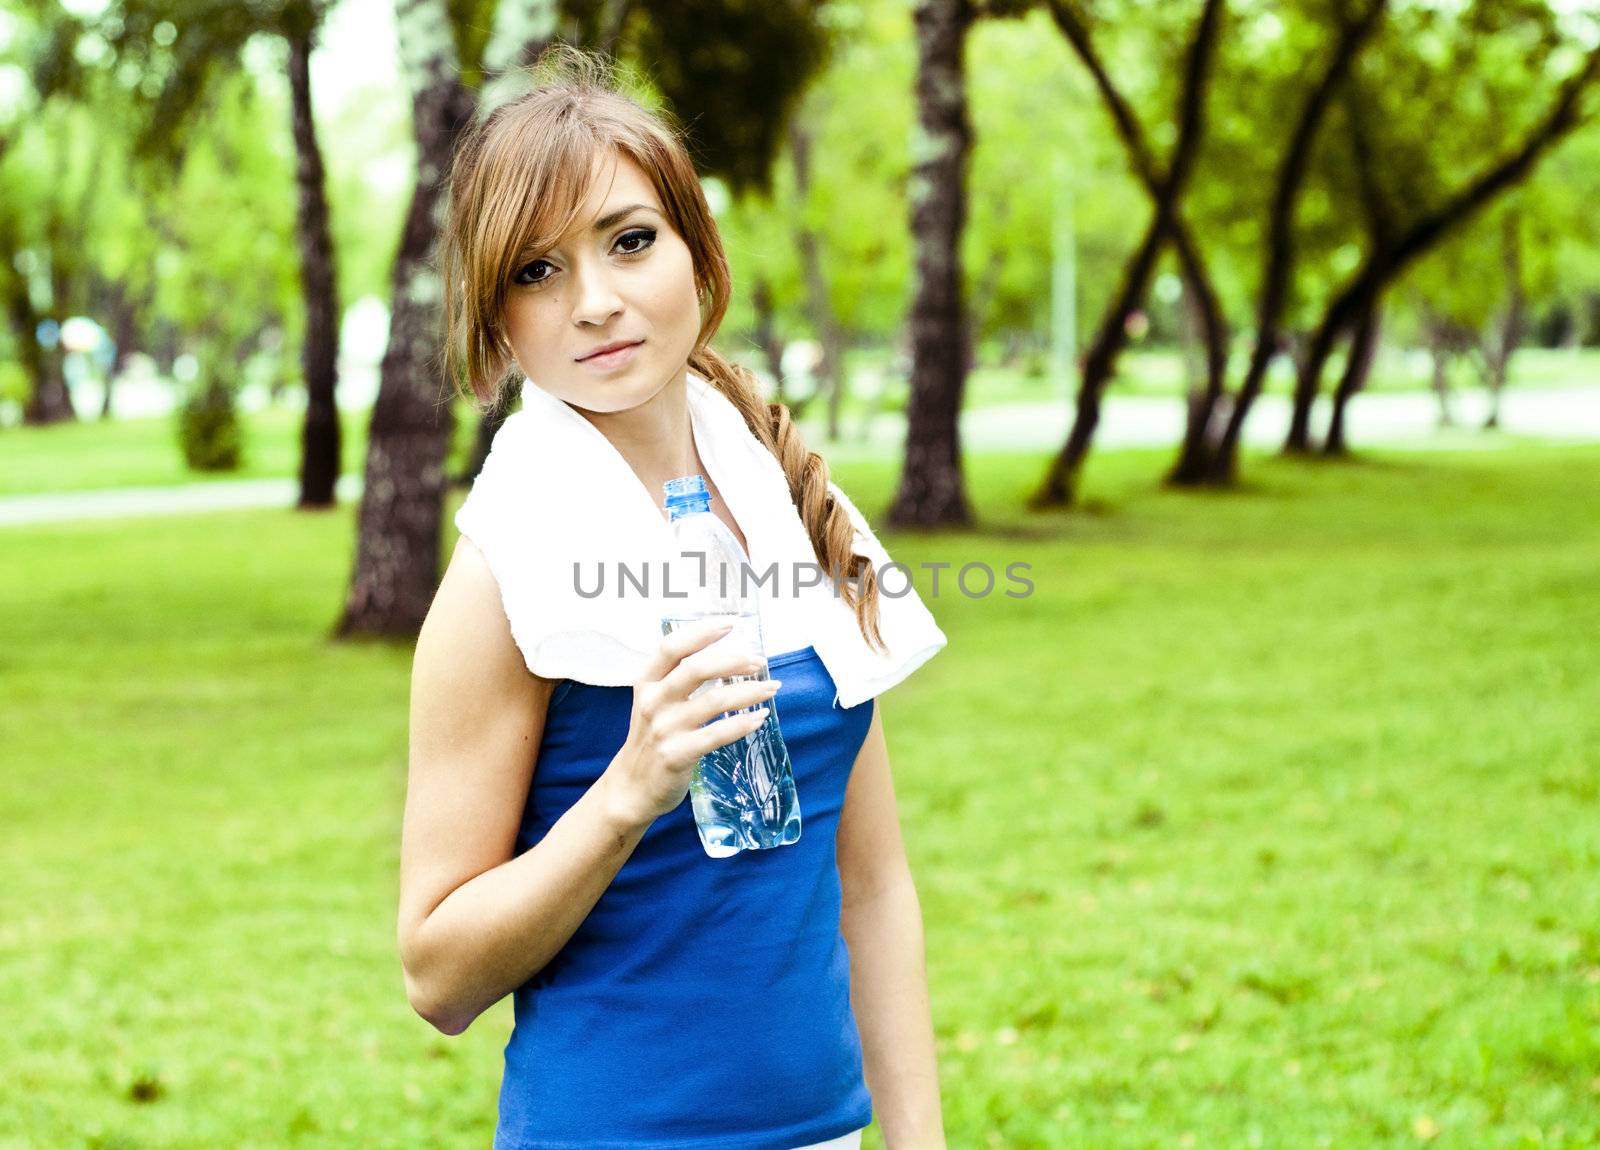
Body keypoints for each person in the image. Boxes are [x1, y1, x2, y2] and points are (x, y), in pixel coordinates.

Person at [397, 45, 948, 1150]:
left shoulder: (786, 492)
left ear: (697, 251)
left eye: (629, 241)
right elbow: (438, 973)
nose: (595, 302)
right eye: (537, 271)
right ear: (496, 315)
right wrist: (625, 791)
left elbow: (873, 886)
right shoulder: (499, 573)